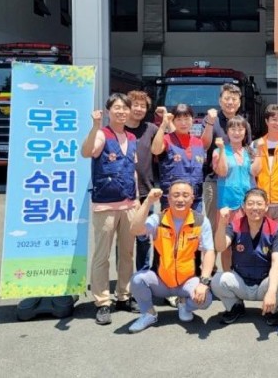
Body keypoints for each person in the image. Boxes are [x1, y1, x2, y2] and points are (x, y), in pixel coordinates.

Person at [81, 93, 138, 325]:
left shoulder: (132, 137)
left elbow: (132, 169)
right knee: (102, 255)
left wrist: (139, 200)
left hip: (129, 203)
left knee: (127, 253)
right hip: (106, 204)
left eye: (125, 108)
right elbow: (86, 152)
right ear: (109, 111)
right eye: (117, 108)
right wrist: (94, 127)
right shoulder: (102, 135)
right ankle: (103, 301)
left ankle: (124, 295)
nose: (121, 112)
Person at [127, 183, 215, 333]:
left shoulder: (200, 221)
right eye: (176, 195)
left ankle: (185, 305)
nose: (180, 199)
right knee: (137, 280)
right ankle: (149, 314)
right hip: (160, 280)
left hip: (188, 280)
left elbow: (209, 251)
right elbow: (135, 229)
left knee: (205, 299)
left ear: (192, 199)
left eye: (185, 195)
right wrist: (148, 201)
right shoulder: (158, 219)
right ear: (168, 198)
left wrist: (204, 281)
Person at [211, 188, 278, 327]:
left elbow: (277, 263)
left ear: (266, 206)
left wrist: (271, 292)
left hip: (264, 283)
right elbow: (220, 247)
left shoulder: (276, 228)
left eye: (259, 204)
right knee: (217, 280)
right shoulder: (234, 225)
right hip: (241, 282)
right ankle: (235, 306)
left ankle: (271, 309)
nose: (255, 208)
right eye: (250, 203)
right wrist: (222, 224)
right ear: (244, 207)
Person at [201, 83, 253, 224]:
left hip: (238, 182)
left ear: (239, 102)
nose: (230, 102)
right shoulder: (211, 119)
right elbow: (204, 145)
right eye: (227, 98)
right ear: (220, 101)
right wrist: (210, 123)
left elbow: (247, 151)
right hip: (215, 181)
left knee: (240, 224)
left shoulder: (243, 123)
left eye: (234, 99)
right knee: (215, 224)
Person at [124, 90, 160, 273]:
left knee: (144, 237)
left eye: (143, 106)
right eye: (135, 105)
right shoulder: (118, 128)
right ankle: (125, 281)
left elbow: (168, 138)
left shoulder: (150, 129)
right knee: (124, 241)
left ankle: (143, 274)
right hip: (121, 194)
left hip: (145, 191)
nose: (138, 109)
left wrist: (164, 120)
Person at [152, 104, 206, 212]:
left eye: (186, 119)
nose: (183, 123)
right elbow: (155, 150)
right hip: (172, 198)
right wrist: (164, 125)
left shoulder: (198, 142)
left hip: (194, 199)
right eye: (179, 119)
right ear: (173, 121)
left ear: (192, 120)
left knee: (195, 228)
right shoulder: (167, 139)